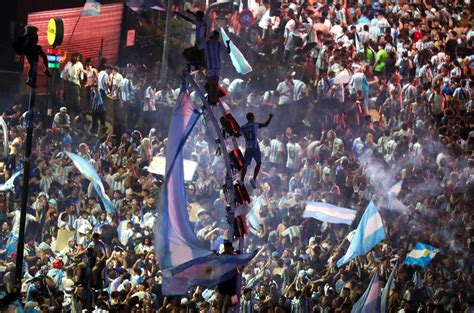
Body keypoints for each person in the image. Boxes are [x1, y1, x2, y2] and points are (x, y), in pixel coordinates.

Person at [240, 112, 273, 188]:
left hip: (248, 148)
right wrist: (270, 117)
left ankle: (242, 180)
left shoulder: (243, 127)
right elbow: (265, 124)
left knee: (245, 165)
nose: (254, 118)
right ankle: (253, 179)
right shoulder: (255, 125)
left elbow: (237, 134)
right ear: (251, 118)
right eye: (253, 117)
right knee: (258, 163)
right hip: (255, 148)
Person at [201, 31, 231, 105]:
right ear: (215, 36)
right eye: (218, 36)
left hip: (210, 67)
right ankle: (215, 100)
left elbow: (198, 47)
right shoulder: (219, 44)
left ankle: (211, 100)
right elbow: (228, 51)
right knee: (215, 84)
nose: (218, 38)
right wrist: (227, 44)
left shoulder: (207, 43)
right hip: (217, 66)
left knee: (211, 84)